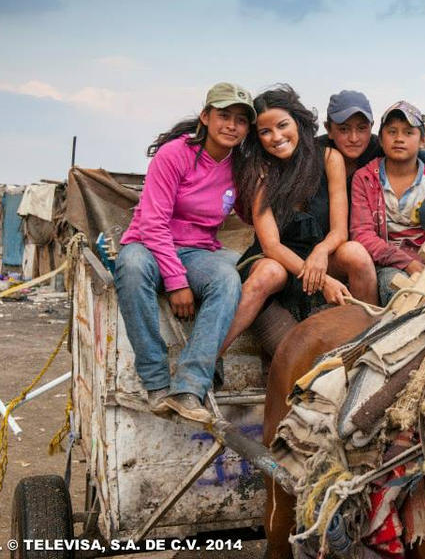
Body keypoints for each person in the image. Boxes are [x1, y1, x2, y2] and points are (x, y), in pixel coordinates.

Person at [114, 82, 255, 423]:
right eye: (223, 116)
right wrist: (176, 282)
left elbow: (257, 213)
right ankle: (157, 384)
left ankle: (190, 387)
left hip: (199, 251)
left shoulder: (241, 167)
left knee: (228, 276)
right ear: (205, 117)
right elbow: (152, 222)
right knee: (130, 266)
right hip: (149, 244)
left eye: (240, 119)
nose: (231, 125)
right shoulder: (175, 154)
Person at [219, 85, 378, 354]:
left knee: (356, 253)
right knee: (270, 271)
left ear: (299, 122)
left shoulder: (329, 158)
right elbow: (271, 246)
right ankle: (209, 358)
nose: (276, 137)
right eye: (265, 132)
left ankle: (373, 340)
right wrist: (325, 281)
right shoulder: (261, 171)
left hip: (319, 256)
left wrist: (321, 251)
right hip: (277, 260)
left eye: (283, 126)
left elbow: (339, 230)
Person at [350, 101, 425, 306]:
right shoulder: (365, 179)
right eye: (392, 131)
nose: (399, 139)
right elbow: (362, 233)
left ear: (423, 141)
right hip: (390, 263)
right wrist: (406, 262)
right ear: (381, 139)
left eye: (408, 132)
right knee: (395, 295)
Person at [319, 90, 425, 244]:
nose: (354, 138)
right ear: (329, 129)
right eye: (343, 129)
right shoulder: (316, 155)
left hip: (361, 248)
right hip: (330, 243)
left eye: (361, 128)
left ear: (371, 128)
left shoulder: (382, 148)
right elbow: (362, 234)